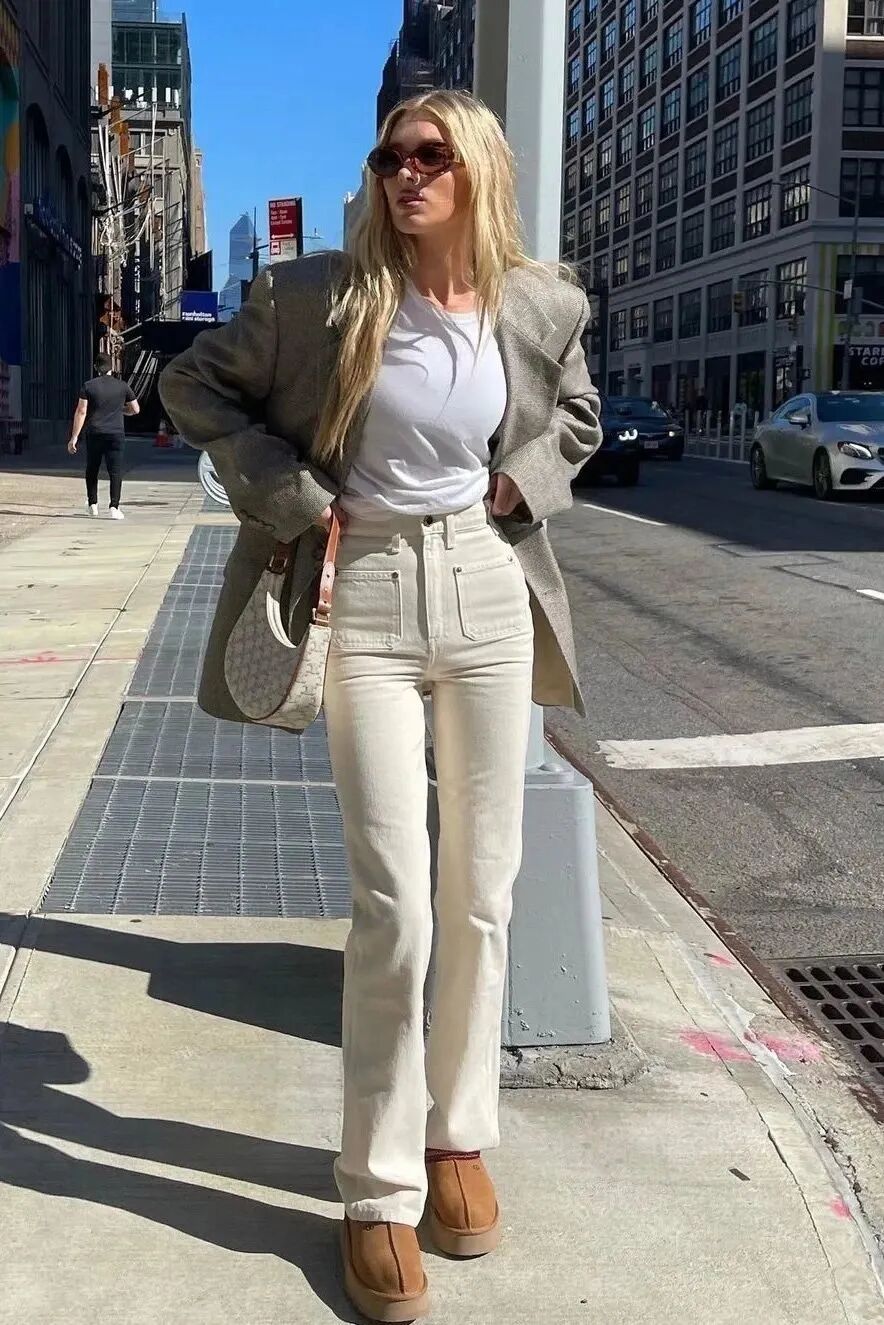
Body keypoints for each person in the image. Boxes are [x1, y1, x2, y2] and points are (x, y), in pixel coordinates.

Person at [160, 90, 601, 1323]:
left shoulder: (535, 301)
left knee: (482, 889)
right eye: (389, 154)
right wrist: (299, 502)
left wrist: (520, 483)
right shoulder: (318, 297)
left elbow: (574, 414)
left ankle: (457, 1138)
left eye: (429, 155)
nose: (404, 172)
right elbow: (194, 387)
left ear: (476, 171)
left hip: (484, 585)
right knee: (395, 902)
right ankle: (375, 1188)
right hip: (359, 592)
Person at [67, 353, 139, 519]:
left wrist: (74, 437)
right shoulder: (122, 386)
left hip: (95, 432)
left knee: (92, 468)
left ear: (96, 367)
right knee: (115, 471)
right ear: (111, 367)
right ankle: (114, 507)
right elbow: (135, 409)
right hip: (116, 433)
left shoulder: (88, 386)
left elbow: (81, 411)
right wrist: (122, 410)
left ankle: (93, 504)